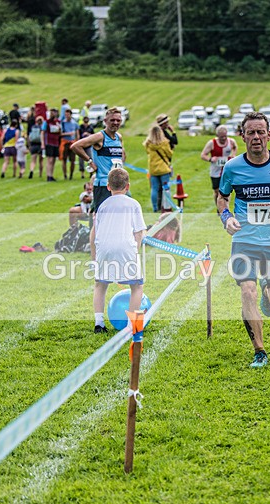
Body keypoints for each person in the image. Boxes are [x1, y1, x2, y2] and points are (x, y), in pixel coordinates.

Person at [216, 112, 270, 368]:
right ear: (242, 136)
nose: (256, 137)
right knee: (247, 290)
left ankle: (269, 289)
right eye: (250, 132)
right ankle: (260, 351)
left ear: (269, 134)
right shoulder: (232, 167)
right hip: (245, 240)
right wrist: (227, 217)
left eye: (260, 132)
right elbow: (222, 198)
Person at [90, 168, 146, 334]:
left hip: (104, 247)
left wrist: (94, 257)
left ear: (108, 186)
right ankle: (132, 325)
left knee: (100, 284)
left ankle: (99, 323)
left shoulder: (102, 206)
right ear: (127, 186)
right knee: (136, 285)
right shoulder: (133, 204)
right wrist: (135, 250)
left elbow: (94, 233)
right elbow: (139, 232)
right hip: (125, 246)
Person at [71, 107, 125, 220]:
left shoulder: (118, 137)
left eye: (118, 120)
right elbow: (76, 146)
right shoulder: (100, 137)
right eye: (112, 120)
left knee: (118, 218)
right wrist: (90, 161)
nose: (115, 123)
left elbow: (120, 155)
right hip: (103, 185)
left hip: (119, 185)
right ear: (105, 121)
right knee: (100, 218)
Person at [200, 125, 238, 209]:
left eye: (225, 136)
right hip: (215, 171)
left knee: (227, 190)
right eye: (221, 137)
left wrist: (233, 155)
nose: (224, 138)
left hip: (227, 170)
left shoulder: (231, 141)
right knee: (217, 191)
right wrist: (210, 159)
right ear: (217, 136)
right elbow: (203, 155)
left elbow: (235, 147)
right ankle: (218, 208)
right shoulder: (211, 143)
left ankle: (225, 209)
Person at [144, 124, 173, 213]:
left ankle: (155, 207)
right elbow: (170, 154)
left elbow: (147, 152)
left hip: (153, 169)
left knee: (154, 189)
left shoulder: (148, 144)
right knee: (166, 189)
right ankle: (166, 206)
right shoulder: (164, 143)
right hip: (163, 168)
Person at [42, 108, 61, 181]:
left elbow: (60, 132)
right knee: (49, 159)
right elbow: (43, 132)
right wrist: (43, 143)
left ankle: (51, 174)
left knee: (53, 160)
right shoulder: (47, 122)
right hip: (49, 142)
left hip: (56, 142)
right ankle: (48, 175)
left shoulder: (58, 122)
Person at [60, 108, 79, 179]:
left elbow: (77, 133)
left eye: (68, 115)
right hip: (65, 142)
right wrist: (68, 134)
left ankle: (71, 174)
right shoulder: (63, 123)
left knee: (72, 160)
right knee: (64, 159)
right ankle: (65, 174)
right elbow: (60, 133)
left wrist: (77, 141)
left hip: (72, 142)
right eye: (66, 115)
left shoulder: (74, 123)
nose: (67, 116)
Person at [27, 115, 44, 179]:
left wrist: (29, 145)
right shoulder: (42, 127)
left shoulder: (33, 127)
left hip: (33, 145)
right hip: (40, 144)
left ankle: (31, 170)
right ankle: (40, 173)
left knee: (33, 160)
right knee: (41, 161)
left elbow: (29, 136)